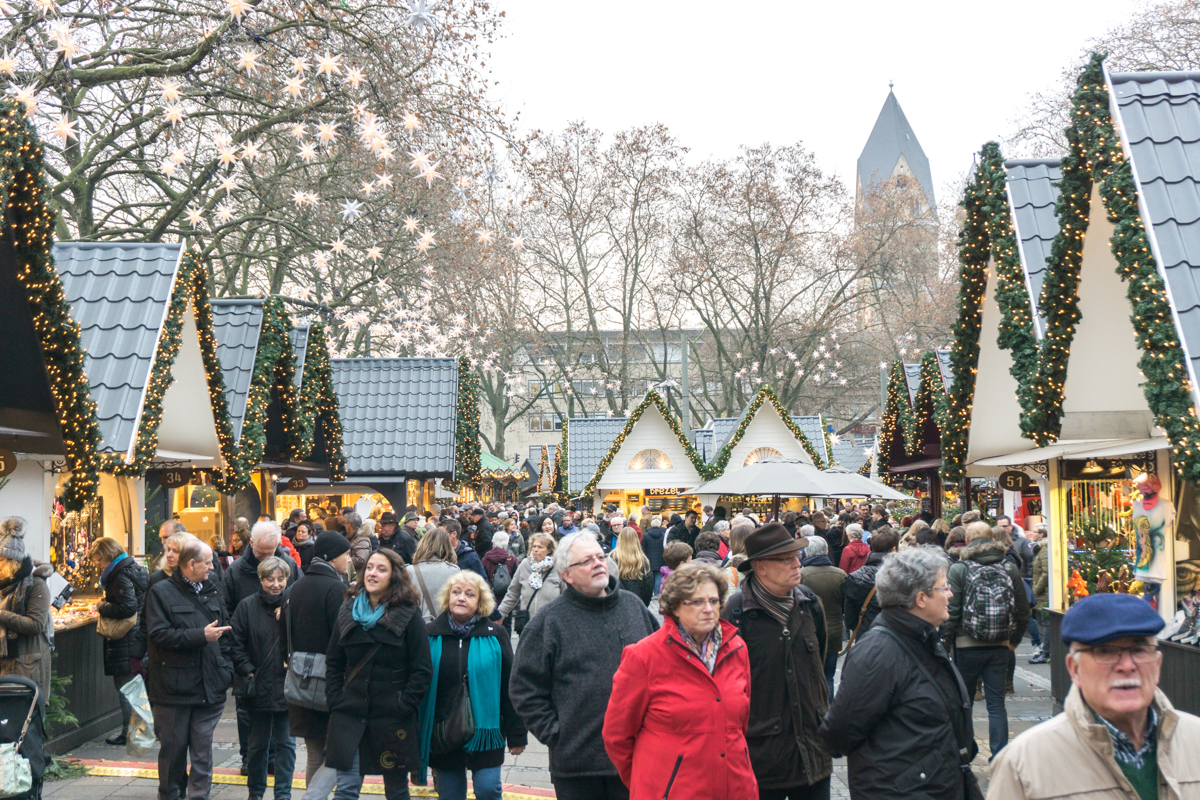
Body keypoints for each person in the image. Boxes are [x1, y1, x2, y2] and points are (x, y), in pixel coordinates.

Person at [989, 594, 1200, 799]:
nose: (1126, 666)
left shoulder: (1194, 740)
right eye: (1105, 652)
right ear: (1074, 668)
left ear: (1157, 664)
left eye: (1139, 650)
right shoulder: (1024, 764)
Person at [820, 547, 977, 800]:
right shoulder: (879, 652)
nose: (951, 594)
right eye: (944, 587)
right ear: (920, 598)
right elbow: (839, 732)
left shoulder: (924, 638)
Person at [511, 532, 659, 800]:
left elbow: (663, 668)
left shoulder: (633, 607)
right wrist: (557, 734)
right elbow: (524, 688)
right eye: (587, 561)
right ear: (567, 574)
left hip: (636, 758)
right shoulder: (549, 620)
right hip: (577, 766)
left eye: (600, 557)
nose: (598, 563)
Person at [603, 563, 756, 800]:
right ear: (674, 606)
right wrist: (650, 784)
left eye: (714, 601)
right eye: (696, 601)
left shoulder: (737, 648)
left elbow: (740, 725)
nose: (708, 609)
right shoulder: (643, 656)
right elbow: (617, 736)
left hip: (735, 788)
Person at [722, 523, 832, 799]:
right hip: (761, 756)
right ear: (760, 567)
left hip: (812, 752)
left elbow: (819, 661)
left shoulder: (810, 604)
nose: (798, 563)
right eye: (787, 559)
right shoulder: (735, 613)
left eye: (797, 556)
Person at [325, 549, 432, 800]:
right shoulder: (347, 609)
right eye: (370, 567)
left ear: (394, 577)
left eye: (381, 569)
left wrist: (403, 705)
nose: (372, 573)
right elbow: (333, 662)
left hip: (392, 719)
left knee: (396, 790)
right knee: (346, 789)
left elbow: (422, 668)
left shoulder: (408, 614)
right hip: (350, 714)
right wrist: (335, 699)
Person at [417, 571, 527, 800]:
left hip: (486, 731)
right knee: (450, 795)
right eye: (456, 592)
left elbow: (511, 686)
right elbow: (419, 685)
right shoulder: (430, 635)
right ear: (448, 598)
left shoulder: (496, 635)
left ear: (480, 602)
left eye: (469, 594)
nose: (461, 598)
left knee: (488, 789)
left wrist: (517, 734)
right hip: (444, 732)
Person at [145, 540, 234, 800]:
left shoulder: (213, 589)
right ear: (191, 564)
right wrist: (200, 635)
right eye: (207, 562)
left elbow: (226, 633)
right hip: (174, 689)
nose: (212, 567)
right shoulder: (160, 591)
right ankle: (170, 794)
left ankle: (199, 796)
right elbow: (158, 635)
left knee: (202, 751)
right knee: (173, 750)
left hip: (210, 685)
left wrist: (226, 669)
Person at [945, 521, 1030, 759]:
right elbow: (1024, 610)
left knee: (966, 703)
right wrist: (1013, 639)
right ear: (992, 540)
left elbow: (952, 612)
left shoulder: (960, 568)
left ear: (969, 541)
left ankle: (966, 753)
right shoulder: (1009, 566)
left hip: (966, 645)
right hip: (1000, 645)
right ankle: (1000, 756)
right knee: (996, 704)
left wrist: (944, 646)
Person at [283, 531, 357, 800]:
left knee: (314, 752)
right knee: (339, 750)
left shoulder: (294, 588)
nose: (348, 559)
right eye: (346, 554)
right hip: (330, 683)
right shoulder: (337, 590)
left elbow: (284, 638)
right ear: (332, 557)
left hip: (300, 683)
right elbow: (342, 638)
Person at [222, 520, 298, 773]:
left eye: (272, 550)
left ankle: (276, 763)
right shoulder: (235, 572)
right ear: (251, 543)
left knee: (283, 720)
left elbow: (299, 597)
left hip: (280, 655)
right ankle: (250, 760)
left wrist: (286, 610)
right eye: (262, 552)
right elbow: (227, 609)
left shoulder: (289, 565)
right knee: (249, 716)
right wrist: (242, 662)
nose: (268, 556)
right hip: (251, 653)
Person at [230, 557, 295, 800]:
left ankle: (283, 794)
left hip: (287, 685)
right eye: (270, 579)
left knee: (286, 746)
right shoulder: (247, 606)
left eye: (281, 579)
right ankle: (255, 793)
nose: (276, 584)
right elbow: (235, 642)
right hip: (257, 686)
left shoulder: (294, 605)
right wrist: (247, 669)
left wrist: (288, 618)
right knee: (256, 746)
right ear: (261, 579)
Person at [89, 536, 149, 746]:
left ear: (107, 556)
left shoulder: (118, 576)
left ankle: (130, 734)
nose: (98, 564)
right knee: (134, 687)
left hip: (125, 638)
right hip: (137, 635)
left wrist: (102, 606)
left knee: (125, 687)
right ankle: (138, 731)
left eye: (98, 560)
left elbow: (128, 607)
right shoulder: (132, 568)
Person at [800, 536, 847, 699]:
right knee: (828, 676)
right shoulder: (840, 574)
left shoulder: (801, 575)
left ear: (806, 553)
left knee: (809, 677)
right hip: (833, 632)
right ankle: (828, 712)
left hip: (808, 632)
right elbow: (845, 604)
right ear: (826, 551)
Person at [842, 527, 899, 641]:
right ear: (894, 549)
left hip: (866, 637)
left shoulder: (855, 577)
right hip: (896, 638)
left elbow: (849, 618)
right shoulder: (904, 575)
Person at [497, 533, 562, 629]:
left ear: (549, 550)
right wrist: (500, 613)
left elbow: (567, 596)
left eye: (540, 547)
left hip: (551, 625)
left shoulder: (558, 568)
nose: (535, 549)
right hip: (528, 623)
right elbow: (513, 593)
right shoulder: (525, 565)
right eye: (534, 546)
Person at [407, 528, 461, 623]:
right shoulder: (453, 571)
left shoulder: (409, 571)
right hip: (442, 627)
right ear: (447, 546)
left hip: (414, 626)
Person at [612, 527, 653, 607]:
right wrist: (644, 605)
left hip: (617, 604)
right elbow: (648, 585)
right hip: (638, 603)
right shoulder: (643, 560)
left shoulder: (612, 558)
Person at [1029, 525, 1050, 664]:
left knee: (1047, 621)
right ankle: (1045, 650)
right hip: (1041, 591)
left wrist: (1036, 590)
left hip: (1044, 592)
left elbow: (1046, 572)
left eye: (1035, 532)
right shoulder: (1039, 548)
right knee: (1044, 621)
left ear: (1041, 534)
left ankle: (1046, 651)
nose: (1032, 534)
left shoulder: (1044, 549)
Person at [481, 532, 520, 602]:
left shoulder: (485, 559)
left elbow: (481, 578)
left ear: (493, 542)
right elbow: (517, 579)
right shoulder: (512, 559)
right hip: (507, 598)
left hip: (490, 597)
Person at [640, 516, 667, 594]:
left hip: (649, 559)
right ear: (659, 525)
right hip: (660, 560)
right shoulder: (663, 535)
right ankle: (657, 593)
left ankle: (650, 592)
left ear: (651, 526)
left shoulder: (646, 535)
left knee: (650, 577)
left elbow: (642, 547)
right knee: (659, 576)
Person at [722, 523, 751, 591]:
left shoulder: (731, 570)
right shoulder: (762, 566)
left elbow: (728, 599)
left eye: (730, 540)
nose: (729, 543)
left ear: (733, 542)